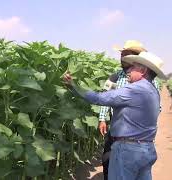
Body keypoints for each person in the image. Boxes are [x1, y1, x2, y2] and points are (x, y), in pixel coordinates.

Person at [63, 51, 166, 180]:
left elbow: (99, 98)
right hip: (147, 149)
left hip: (128, 151)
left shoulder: (134, 89)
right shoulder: (153, 91)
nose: (129, 70)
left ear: (143, 70)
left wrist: (73, 86)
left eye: (133, 67)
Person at [98, 40, 160, 180]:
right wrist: (102, 118)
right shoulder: (114, 77)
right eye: (122, 55)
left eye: (127, 55)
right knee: (107, 160)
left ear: (136, 57)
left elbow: (156, 107)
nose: (123, 58)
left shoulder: (150, 81)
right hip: (116, 129)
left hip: (136, 135)